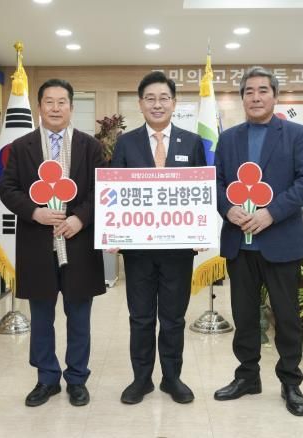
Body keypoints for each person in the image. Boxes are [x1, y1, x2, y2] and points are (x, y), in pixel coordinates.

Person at [213, 66, 303, 416]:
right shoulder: (228, 139)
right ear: (242, 98)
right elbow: (215, 183)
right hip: (239, 244)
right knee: (244, 317)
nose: (256, 97)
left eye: (263, 90)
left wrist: (271, 213)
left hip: (280, 243)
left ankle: (290, 382)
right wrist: (228, 208)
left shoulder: (295, 134)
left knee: (286, 318)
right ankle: (247, 377)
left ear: (275, 96)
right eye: (249, 91)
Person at [0, 78, 106, 408]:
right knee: (42, 318)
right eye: (49, 102)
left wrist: (80, 219)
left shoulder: (90, 146)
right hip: (37, 244)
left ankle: (77, 379)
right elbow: (8, 189)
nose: (55, 108)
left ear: (71, 107)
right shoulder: (21, 147)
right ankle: (46, 379)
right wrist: (35, 212)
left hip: (79, 244)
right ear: (39, 107)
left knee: (79, 318)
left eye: (62, 102)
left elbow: (100, 190)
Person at [111, 71, 206, 404]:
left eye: (164, 98)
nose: (157, 104)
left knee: (173, 319)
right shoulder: (126, 143)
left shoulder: (192, 142)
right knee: (140, 318)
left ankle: (171, 378)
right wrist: (113, 231)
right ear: (140, 104)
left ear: (174, 103)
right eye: (150, 98)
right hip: (138, 250)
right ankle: (141, 380)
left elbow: (201, 190)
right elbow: (115, 192)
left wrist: (200, 229)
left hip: (178, 250)